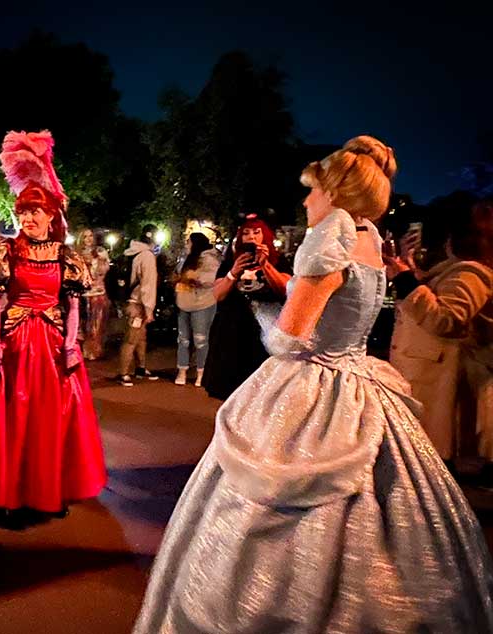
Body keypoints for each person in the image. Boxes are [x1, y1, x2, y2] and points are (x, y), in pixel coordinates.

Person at [133, 136, 493, 633]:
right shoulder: (369, 235)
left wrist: (261, 311)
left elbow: (291, 337)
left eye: (312, 190)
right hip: (361, 378)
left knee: (273, 505)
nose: (306, 200)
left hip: (314, 382)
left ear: (334, 192)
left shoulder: (332, 234)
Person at [0, 130, 106, 529]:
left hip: (52, 347)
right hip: (13, 345)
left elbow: (73, 305)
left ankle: (47, 491)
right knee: (9, 418)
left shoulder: (67, 256)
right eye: (23, 213)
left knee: (50, 421)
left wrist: (71, 345)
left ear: (51, 216)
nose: (28, 219)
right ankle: (7, 493)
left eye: (35, 212)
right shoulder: (5, 250)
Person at [388, 198, 493, 478]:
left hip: (441, 381)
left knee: (434, 472)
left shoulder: (472, 273)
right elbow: (437, 293)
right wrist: (409, 269)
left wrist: (406, 279)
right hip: (430, 375)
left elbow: (446, 319)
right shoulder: (460, 270)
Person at [201, 214, 291, 399]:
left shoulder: (278, 261)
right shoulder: (230, 262)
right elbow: (217, 294)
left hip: (265, 333)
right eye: (246, 233)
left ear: (265, 236)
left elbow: (286, 289)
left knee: (263, 393)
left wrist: (265, 265)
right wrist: (233, 272)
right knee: (230, 392)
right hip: (232, 332)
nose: (251, 237)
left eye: (257, 232)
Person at [172, 232, 220, 386]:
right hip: (183, 300)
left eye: (189, 242)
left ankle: (201, 372)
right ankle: (182, 370)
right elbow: (178, 273)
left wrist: (196, 278)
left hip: (203, 302)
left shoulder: (210, 259)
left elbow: (213, 279)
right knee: (183, 339)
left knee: (201, 339)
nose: (187, 244)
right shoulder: (186, 258)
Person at [117, 224, 160, 386]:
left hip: (129, 300)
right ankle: (123, 373)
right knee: (131, 339)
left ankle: (140, 368)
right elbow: (148, 285)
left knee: (141, 338)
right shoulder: (147, 256)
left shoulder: (131, 252)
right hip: (137, 304)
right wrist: (149, 309)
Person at [78, 228, 111, 360]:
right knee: (83, 324)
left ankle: (94, 351)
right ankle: (84, 350)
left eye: (90, 236)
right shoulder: (77, 254)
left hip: (98, 293)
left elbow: (103, 271)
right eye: (85, 236)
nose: (88, 239)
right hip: (83, 294)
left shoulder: (100, 252)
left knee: (97, 325)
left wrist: (98, 262)